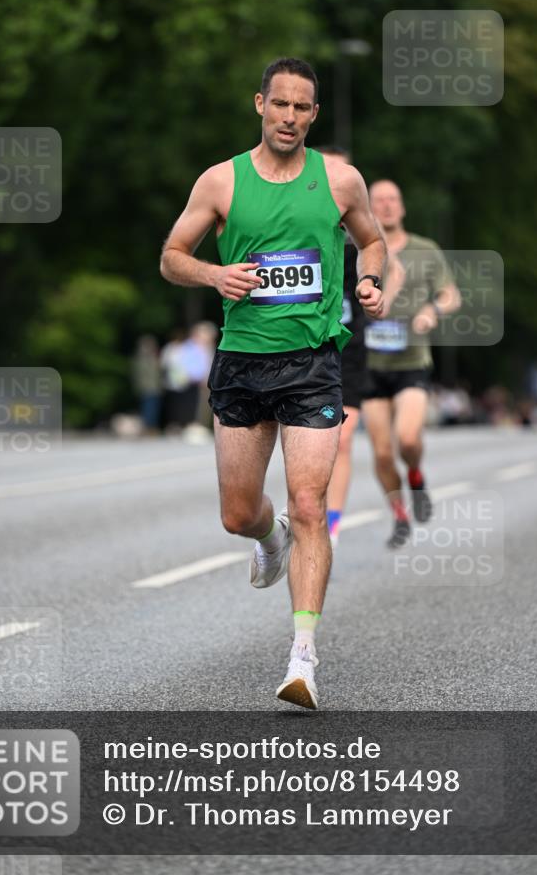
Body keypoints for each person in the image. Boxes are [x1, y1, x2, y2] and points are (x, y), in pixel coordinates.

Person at [160, 57, 386, 710]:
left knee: (310, 504)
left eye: (301, 108)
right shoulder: (220, 181)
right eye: (278, 104)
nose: (288, 117)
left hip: (313, 361)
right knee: (237, 513)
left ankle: (303, 658)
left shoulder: (340, 181)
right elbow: (172, 256)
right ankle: (268, 538)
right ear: (259, 104)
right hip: (241, 361)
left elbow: (371, 243)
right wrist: (214, 276)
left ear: (313, 115)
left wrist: (369, 281)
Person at [362, 180, 461, 548]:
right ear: (369, 208)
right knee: (383, 451)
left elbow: (451, 295)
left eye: (393, 200)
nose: (386, 207)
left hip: (411, 361)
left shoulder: (425, 249)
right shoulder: (360, 250)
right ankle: (400, 515)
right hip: (370, 365)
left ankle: (416, 475)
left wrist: (431, 310)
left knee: (406, 438)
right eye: (379, 201)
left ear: (402, 207)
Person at [318, 147, 405, 548]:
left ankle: (330, 527)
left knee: (343, 438)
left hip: (348, 351)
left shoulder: (358, 227)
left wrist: (380, 295)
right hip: (302, 344)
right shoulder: (298, 220)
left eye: (341, 169)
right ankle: (305, 511)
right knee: (306, 445)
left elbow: (392, 266)